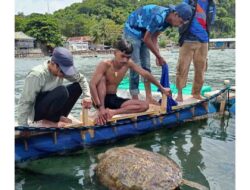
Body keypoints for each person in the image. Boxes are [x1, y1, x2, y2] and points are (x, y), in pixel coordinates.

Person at [90, 39, 171, 125]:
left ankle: (112, 112)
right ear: (115, 53)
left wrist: (162, 88)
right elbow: (92, 85)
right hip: (99, 100)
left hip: (113, 99)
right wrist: (100, 108)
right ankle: (102, 109)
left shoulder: (128, 63)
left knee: (144, 106)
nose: (125, 60)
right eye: (122, 56)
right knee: (101, 79)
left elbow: (145, 74)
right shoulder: (105, 64)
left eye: (128, 57)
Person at [123, 3, 192, 104]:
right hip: (132, 31)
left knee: (146, 66)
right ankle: (135, 98)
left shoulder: (168, 22)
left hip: (144, 34)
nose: (179, 25)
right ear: (176, 14)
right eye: (180, 22)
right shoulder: (159, 17)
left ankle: (149, 97)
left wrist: (158, 55)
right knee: (135, 66)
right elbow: (147, 39)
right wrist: (158, 56)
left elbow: (154, 36)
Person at [17, 47, 92, 127]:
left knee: (77, 86)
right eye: (62, 71)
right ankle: (49, 121)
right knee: (62, 91)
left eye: (66, 71)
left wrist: (87, 96)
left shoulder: (62, 71)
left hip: (52, 108)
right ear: (53, 63)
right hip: (37, 114)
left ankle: (58, 117)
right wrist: (23, 125)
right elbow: (25, 101)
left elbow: (82, 79)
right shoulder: (37, 75)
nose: (63, 74)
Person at [176, 0, 216, 102]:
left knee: (201, 69)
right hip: (187, 39)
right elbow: (179, 13)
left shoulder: (211, 4)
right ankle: (179, 93)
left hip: (203, 40)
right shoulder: (189, 1)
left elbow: (210, 21)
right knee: (182, 67)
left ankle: (196, 93)